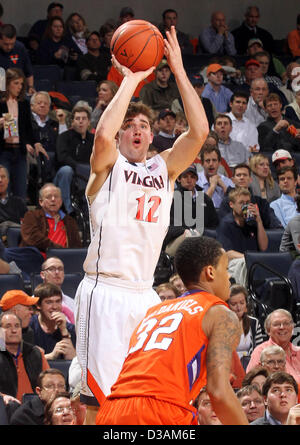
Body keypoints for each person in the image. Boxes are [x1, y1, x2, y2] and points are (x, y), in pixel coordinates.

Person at [75, 26, 209, 423]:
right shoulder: (107, 166)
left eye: (144, 126)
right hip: (104, 291)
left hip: (145, 296)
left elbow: (198, 132)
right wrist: (132, 79)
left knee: (148, 397)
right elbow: (102, 135)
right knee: (98, 401)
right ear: (122, 133)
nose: (137, 130)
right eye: (129, 125)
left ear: (152, 135)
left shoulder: (163, 168)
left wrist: (180, 71)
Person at [96, 236, 248, 425]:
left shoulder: (154, 312)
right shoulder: (220, 313)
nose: (229, 277)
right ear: (210, 272)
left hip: (112, 409)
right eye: (225, 270)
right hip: (159, 411)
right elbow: (219, 392)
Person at [216, 187, 268, 286]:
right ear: (231, 204)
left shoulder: (252, 222)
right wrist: (250, 258)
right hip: (234, 265)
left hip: (253, 263)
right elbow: (228, 253)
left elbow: (264, 247)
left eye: (247, 202)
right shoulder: (226, 224)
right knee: (244, 263)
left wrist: (259, 221)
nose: (245, 206)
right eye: (241, 203)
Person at [164, 164, 218, 257]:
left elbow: (214, 225)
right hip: (175, 241)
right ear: (178, 179)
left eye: (192, 177)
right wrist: (186, 231)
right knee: (191, 236)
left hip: (201, 241)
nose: (189, 180)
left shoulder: (205, 199)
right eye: (185, 176)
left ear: (196, 179)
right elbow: (167, 227)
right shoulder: (171, 198)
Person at [0, 68, 37, 199]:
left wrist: (33, 143)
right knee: (3, 191)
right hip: (3, 152)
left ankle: (19, 219)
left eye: (21, 84)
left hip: (20, 152)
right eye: (16, 83)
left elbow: (28, 128)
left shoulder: (24, 104)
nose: (19, 87)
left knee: (20, 192)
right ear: (7, 83)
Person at [20, 183, 82, 256]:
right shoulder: (31, 216)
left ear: (61, 201)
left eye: (56, 196)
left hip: (64, 262)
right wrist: (58, 250)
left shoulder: (70, 221)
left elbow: (77, 247)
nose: (53, 199)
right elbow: (32, 237)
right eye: (49, 197)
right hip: (36, 259)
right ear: (41, 202)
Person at [0, 312, 49, 403]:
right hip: (5, 409)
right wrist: (2, 397)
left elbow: (48, 383)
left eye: (17, 326)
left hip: (35, 409)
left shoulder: (35, 353)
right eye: (8, 326)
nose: (14, 330)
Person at [53, 105, 94, 215]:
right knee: (66, 170)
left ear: (89, 122)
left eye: (84, 119)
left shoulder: (93, 139)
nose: (81, 122)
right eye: (77, 119)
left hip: (88, 171)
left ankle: (93, 210)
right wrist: (78, 167)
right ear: (72, 122)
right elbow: (62, 157)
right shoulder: (64, 137)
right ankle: (67, 209)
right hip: (68, 172)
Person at [218, 163, 281, 229]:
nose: (242, 177)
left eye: (245, 175)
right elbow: (224, 225)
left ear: (250, 180)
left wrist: (258, 218)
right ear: (233, 180)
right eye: (238, 175)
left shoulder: (261, 202)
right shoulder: (226, 202)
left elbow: (273, 223)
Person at [246, 309, 300, 383]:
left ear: (292, 328)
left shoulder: (298, 351)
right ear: (268, 330)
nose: (282, 327)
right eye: (276, 324)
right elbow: (252, 384)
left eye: (286, 323)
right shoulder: (261, 351)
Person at [30, 282, 76, 361]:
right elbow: (24, 362)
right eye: (49, 302)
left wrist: (64, 331)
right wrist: (50, 356)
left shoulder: (70, 329)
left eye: (58, 301)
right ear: (38, 305)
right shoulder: (29, 326)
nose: (55, 307)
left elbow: (72, 362)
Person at [228, 284, 265, 370]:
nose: (238, 307)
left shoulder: (254, 323)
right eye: (234, 304)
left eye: (242, 303)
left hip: (250, 369)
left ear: (246, 304)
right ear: (227, 305)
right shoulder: (221, 324)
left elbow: (259, 351)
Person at [0, 24, 34, 94]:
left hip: (18, 90)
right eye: (6, 44)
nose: (9, 47)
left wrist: (31, 87)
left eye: (12, 44)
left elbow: (28, 72)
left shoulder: (20, 48)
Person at [40, 256, 76, 322]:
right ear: (42, 275)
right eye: (52, 269)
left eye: (60, 269)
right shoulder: (34, 302)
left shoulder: (72, 303)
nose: (57, 272)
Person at [0, 164, 27, 236]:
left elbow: (29, 227)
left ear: (8, 180)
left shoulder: (19, 202)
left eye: (3, 177)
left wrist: (11, 225)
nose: (0, 180)